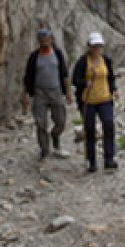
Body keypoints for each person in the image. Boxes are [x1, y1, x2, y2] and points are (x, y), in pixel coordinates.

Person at [21, 28, 73, 159]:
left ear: (51, 40)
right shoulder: (34, 57)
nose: (45, 43)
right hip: (39, 93)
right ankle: (44, 149)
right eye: (42, 40)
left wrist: (68, 92)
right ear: (39, 42)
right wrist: (25, 95)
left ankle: (55, 135)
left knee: (60, 121)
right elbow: (28, 77)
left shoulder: (57, 54)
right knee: (40, 123)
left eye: (47, 40)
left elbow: (65, 74)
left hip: (56, 91)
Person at [72, 32, 119, 173]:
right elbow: (75, 80)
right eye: (94, 46)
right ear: (89, 46)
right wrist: (85, 83)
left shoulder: (106, 60)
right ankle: (91, 161)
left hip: (105, 98)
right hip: (88, 101)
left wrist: (114, 89)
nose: (97, 48)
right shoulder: (82, 62)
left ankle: (109, 159)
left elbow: (110, 77)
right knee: (90, 130)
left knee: (109, 124)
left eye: (99, 46)